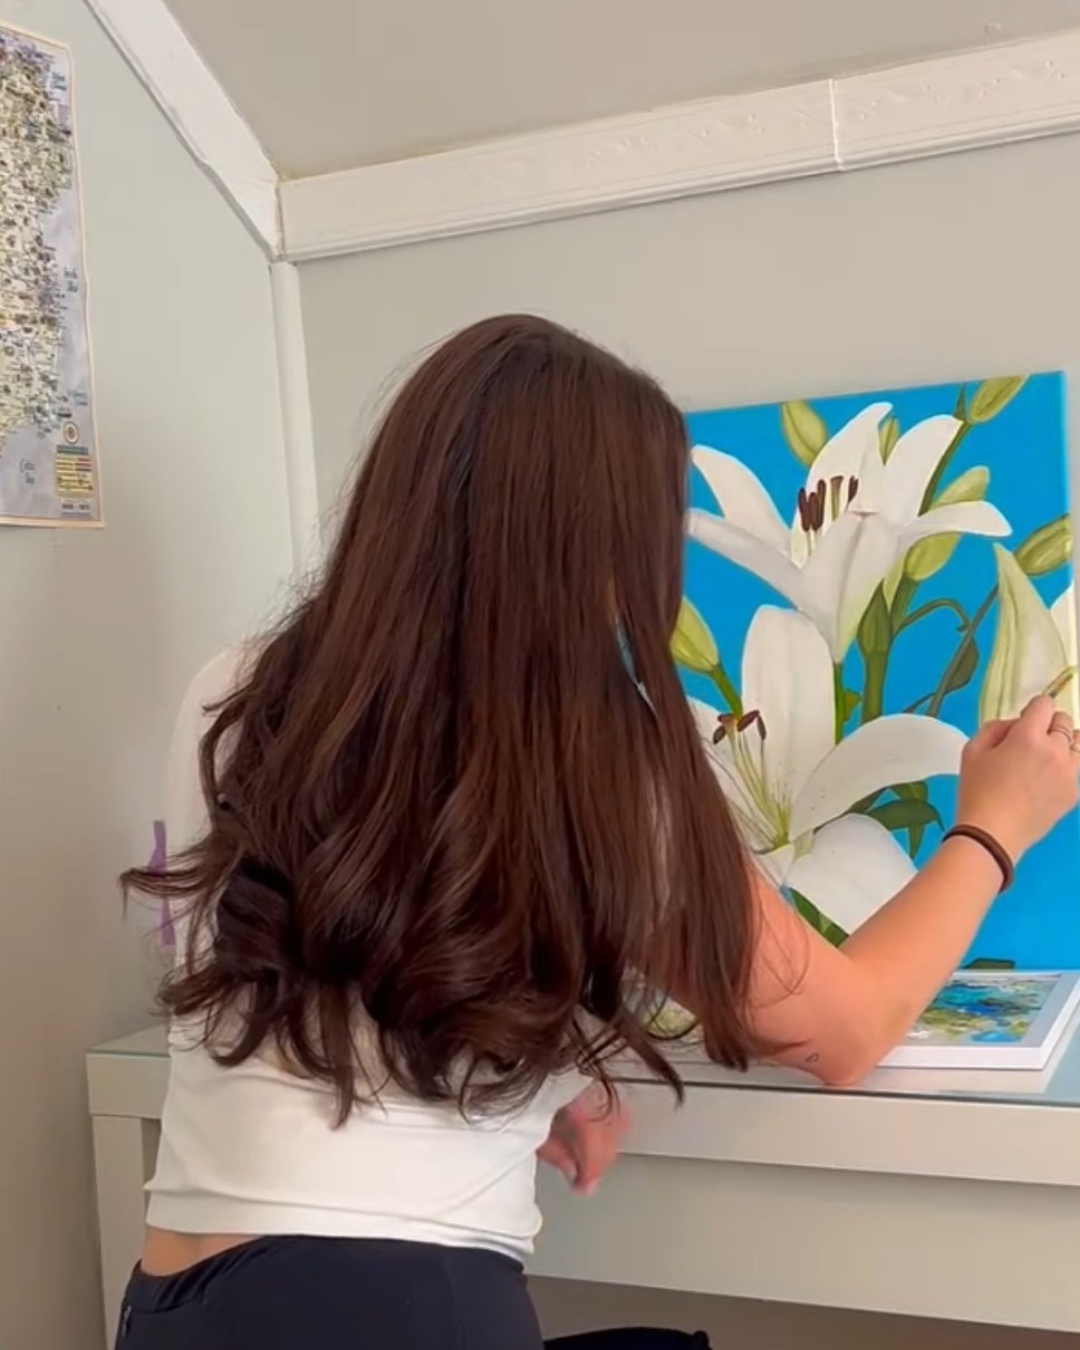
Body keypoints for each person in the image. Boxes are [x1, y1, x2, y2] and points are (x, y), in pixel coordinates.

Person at [119, 315, 1080, 1350]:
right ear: (607, 555)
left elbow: (355, 929)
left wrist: (553, 1069)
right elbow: (846, 1032)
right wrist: (992, 826)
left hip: (176, 1303)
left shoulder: (239, 684)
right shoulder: (597, 757)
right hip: (403, 1311)